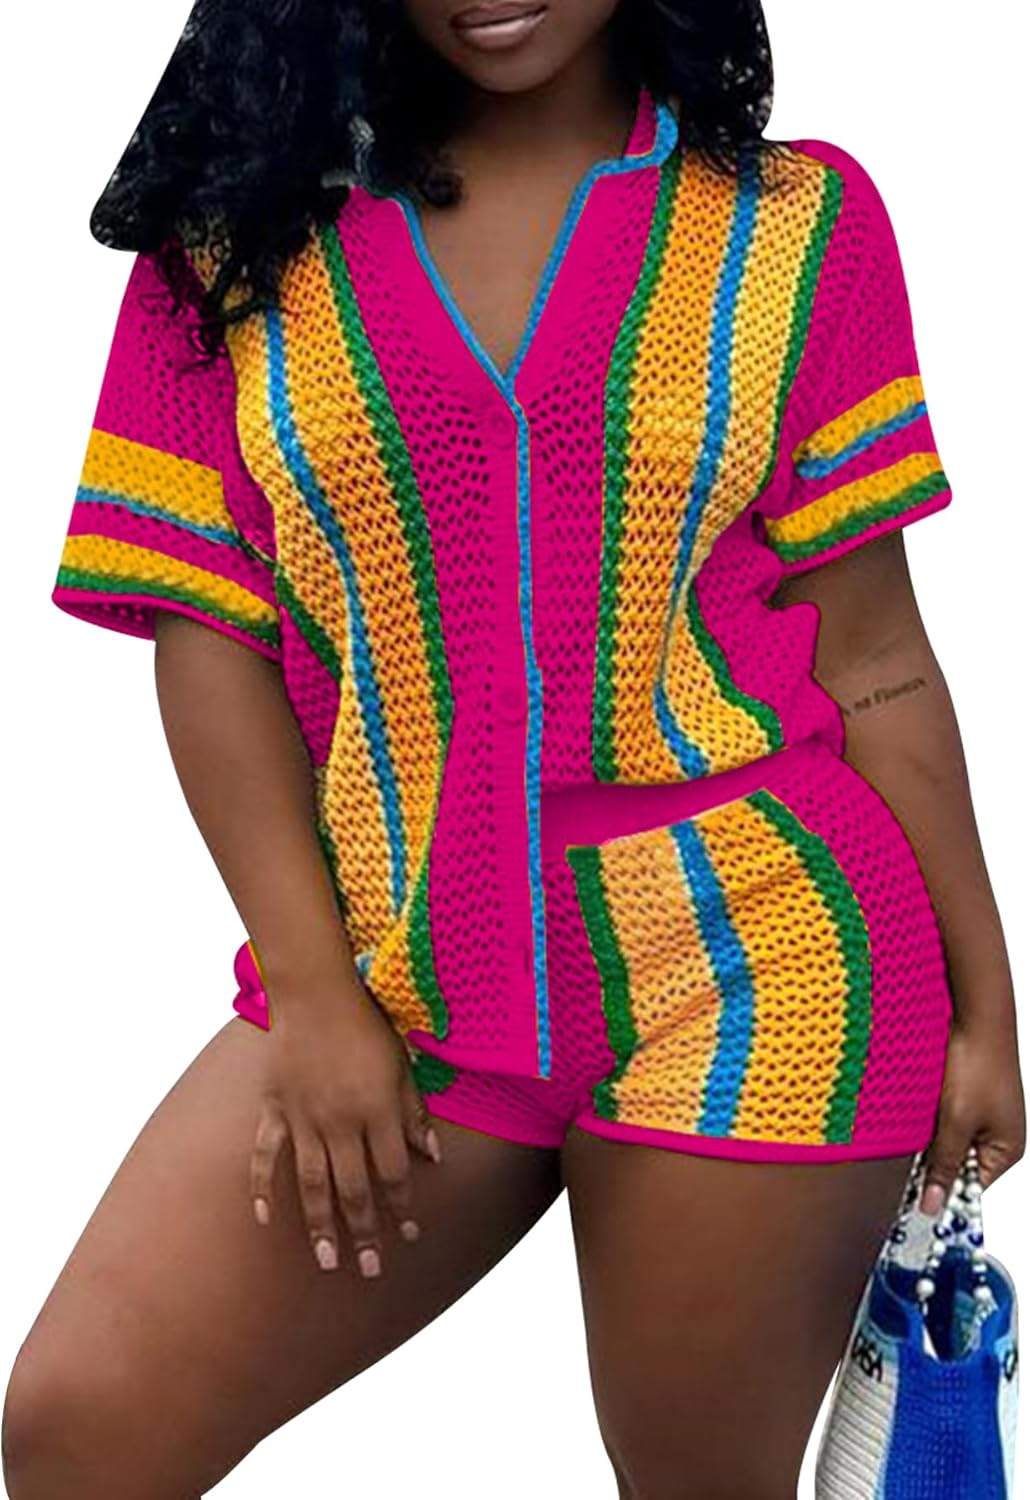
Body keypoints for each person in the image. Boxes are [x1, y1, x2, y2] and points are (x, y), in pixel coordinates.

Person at [3, 2, 1024, 1496]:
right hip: (394, 969)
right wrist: (313, 999)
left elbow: (872, 656)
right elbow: (204, 641)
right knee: (79, 1429)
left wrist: (986, 1009)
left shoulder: (799, 225)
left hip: (767, 964)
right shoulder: (231, 244)